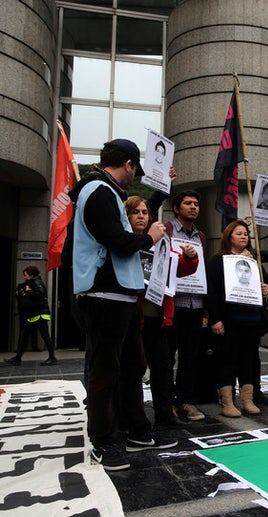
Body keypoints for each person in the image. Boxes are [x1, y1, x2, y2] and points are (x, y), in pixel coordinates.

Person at [70, 138, 176, 471]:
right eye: (135, 170)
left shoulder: (107, 191)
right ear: (128, 164)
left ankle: (138, 432)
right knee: (105, 373)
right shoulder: (98, 191)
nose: (135, 179)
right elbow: (116, 240)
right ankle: (103, 441)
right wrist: (150, 238)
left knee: (132, 368)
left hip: (123, 296)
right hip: (104, 296)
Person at [124, 192, 198, 429]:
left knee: (163, 368)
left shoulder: (159, 242)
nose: (141, 216)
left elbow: (179, 267)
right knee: (133, 370)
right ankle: (131, 417)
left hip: (159, 318)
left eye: (145, 212)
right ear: (126, 216)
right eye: (135, 212)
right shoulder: (124, 240)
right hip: (133, 319)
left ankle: (165, 414)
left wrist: (190, 257)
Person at [207, 220, 268, 417]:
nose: (244, 236)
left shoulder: (253, 261)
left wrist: (264, 289)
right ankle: (227, 402)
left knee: (248, 359)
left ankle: (247, 400)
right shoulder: (219, 260)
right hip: (229, 318)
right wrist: (215, 319)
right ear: (229, 237)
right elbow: (212, 292)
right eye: (239, 233)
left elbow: (263, 284)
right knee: (227, 359)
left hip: (251, 319)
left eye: (246, 234)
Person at [165, 189, 207, 422]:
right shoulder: (167, 231)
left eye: (196, 204)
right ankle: (167, 401)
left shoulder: (201, 237)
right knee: (167, 356)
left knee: (190, 357)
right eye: (188, 203)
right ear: (176, 208)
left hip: (195, 303)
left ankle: (185, 401)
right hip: (173, 302)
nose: (193, 207)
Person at [5, 266, 57, 366]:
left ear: (31, 275)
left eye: (26, 275)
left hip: (39, 314)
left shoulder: (36, 283)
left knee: (43, 336)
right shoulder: (33, 283)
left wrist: (28, 291)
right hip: (35, 315)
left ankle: (52, 358)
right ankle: (18, 358)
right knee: (28, 336)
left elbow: (39, 293)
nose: (25, 277)